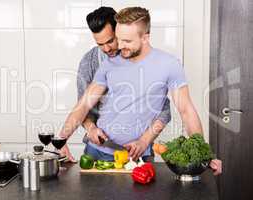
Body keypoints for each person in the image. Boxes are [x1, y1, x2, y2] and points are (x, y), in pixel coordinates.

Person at [61, 7, 222, 175]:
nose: (119, 47)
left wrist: (204, 154)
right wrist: (62, 139)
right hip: (99, 150)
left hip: (138, 156)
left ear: (145, 38)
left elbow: (186, 111)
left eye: (126, 41)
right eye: (119, 39)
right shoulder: (109, 63)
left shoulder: (169, 64)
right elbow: (84, 103)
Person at [62, 7, 171, 162]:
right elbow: (83, 106)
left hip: (138, 153)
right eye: (100, 44)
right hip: (97, 150)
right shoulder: (90, 62)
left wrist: (144, 141)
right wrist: (90, 128)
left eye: (111, 41)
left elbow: (164, 110)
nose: (106, 49)